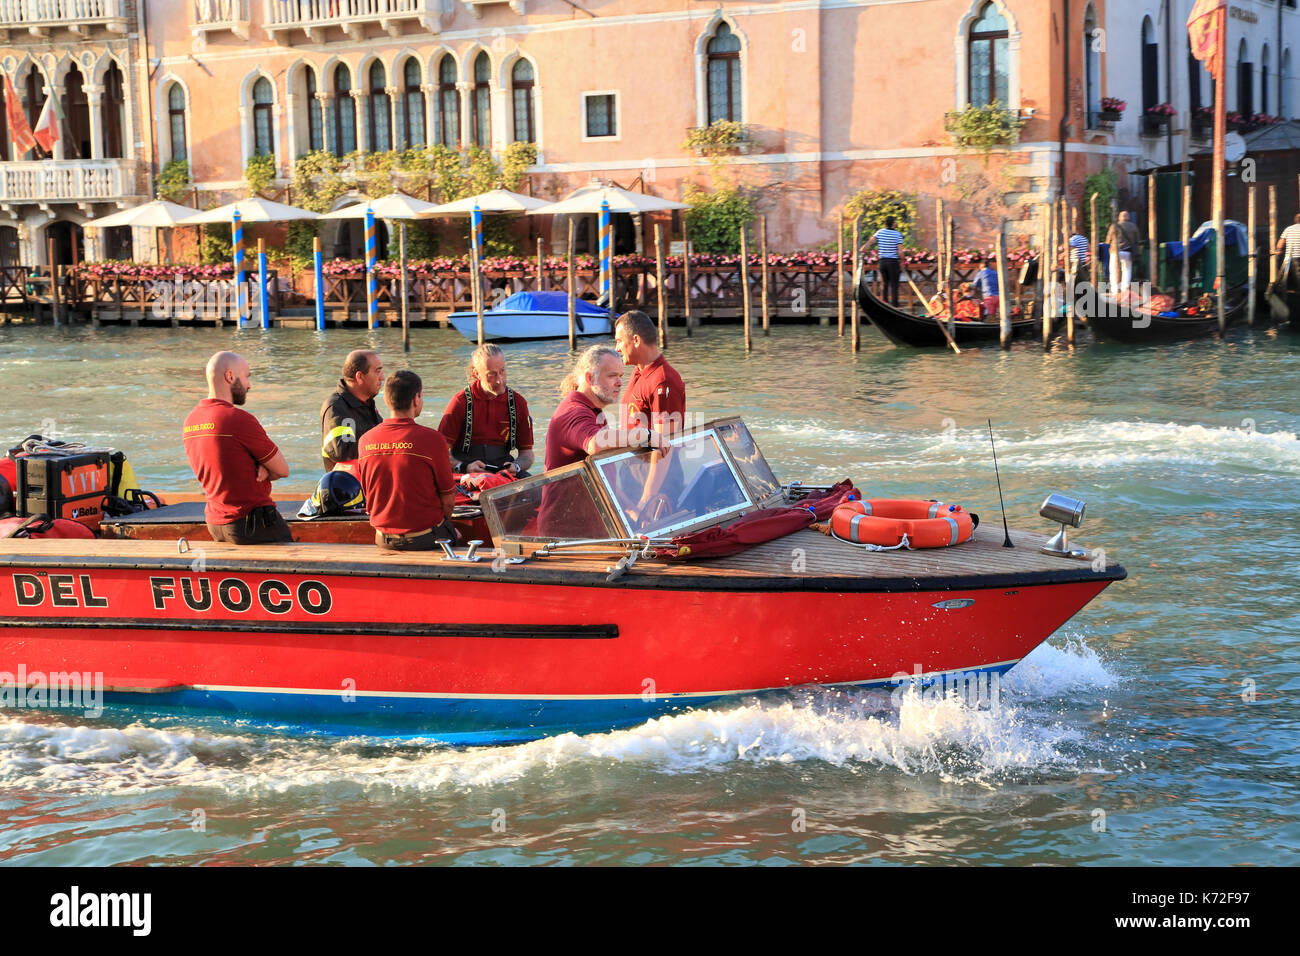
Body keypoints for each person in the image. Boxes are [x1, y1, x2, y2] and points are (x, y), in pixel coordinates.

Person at [183, 351, 292, 544]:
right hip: (253, 522)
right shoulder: (238, 420)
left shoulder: (191, 421)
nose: (249, 385)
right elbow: (283, 470)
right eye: (247, 377)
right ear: (230, 376)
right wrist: (267, 468)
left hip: (216, 524)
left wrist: (264, 468)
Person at [357, 370, 458, 551]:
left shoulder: (365, 440)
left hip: (383, 539)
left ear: (387, 401)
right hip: (426, 538)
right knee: (459, 535)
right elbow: (448, 499)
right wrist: (445, 526)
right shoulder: (432, 439)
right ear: (416, 399)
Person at [545, 345, 668, 472]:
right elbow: (594, 443)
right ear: (590, 378)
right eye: (612, 376)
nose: (620, 383)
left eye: (620, 376)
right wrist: (644, 435)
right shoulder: (573, 411)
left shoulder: (592, 408)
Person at [437, 344, 534, 477]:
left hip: (504, 472)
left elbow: (527, 455)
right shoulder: (461, 401)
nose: (500, 380)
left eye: (502, 371)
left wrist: (516, 466)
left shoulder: (518, 402)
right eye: (492, 374)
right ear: (476, 374)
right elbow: (438, 452)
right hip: (467, 473)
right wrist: (463, 466)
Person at [320, 349, 384, 474]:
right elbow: (343, 452)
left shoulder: (366, 402)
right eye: (378, 371)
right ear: (360, 377)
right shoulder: (337, 407)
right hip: (349, 489)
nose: (382, 377)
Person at [864, 216, 904, 306]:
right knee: (894, 284)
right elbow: (900, 251)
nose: (896, 223)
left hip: (882, 262)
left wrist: (863, 248)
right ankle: (894, 305)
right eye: (895, 221)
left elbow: (870, 241)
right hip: (893, 262)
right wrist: (902, 260)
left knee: (884, 284)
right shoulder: (897, 234)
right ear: (893, 223)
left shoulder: (880, 232)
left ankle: (885, 303)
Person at [1106, 211, 1142, 295]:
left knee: (1113, 270)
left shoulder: (1114, 226)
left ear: (1119, 217)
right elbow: (1137, 240)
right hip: (1128, 251)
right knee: (1127, 270)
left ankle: (1114, 291)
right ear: (1128, 217)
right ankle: (1124, 290)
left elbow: (1108, 240)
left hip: (1115, 251)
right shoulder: (1133, 226)